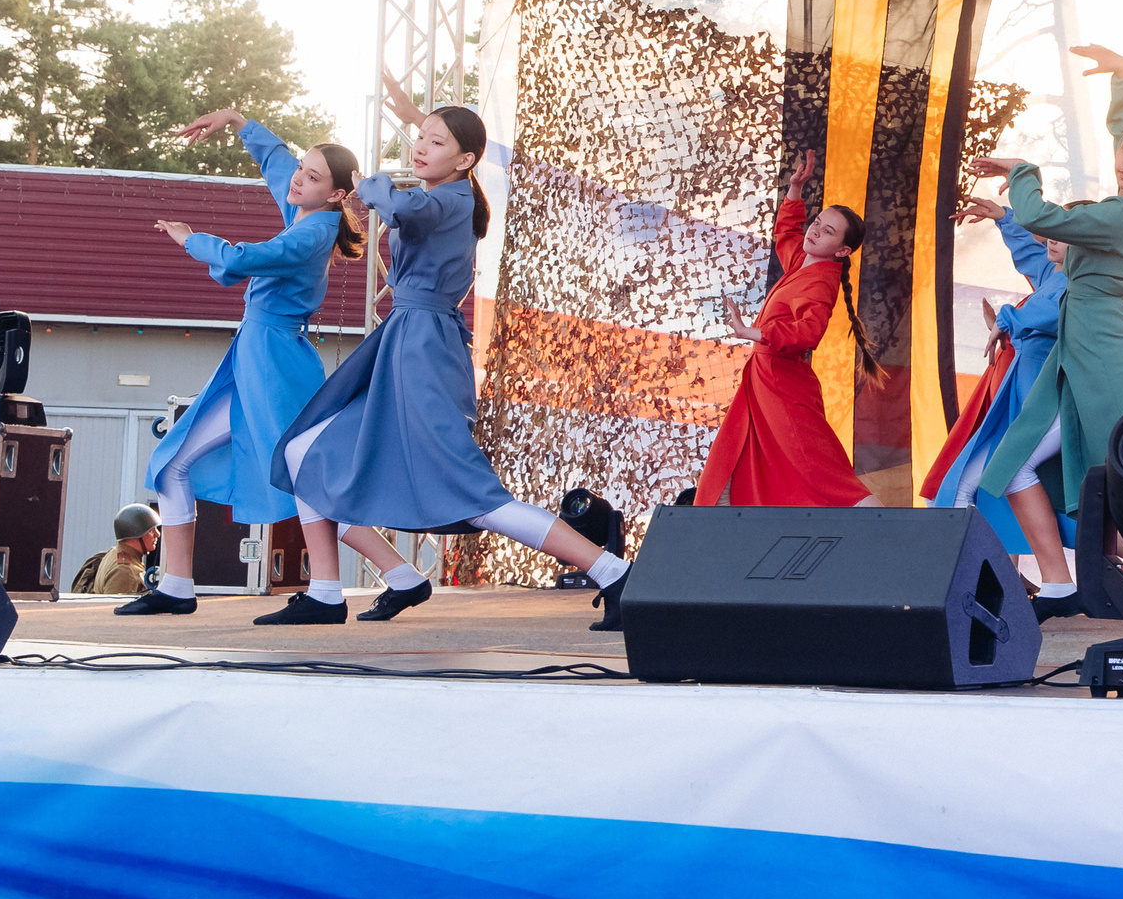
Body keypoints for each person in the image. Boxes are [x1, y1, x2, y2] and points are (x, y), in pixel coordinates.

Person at [264, 78, 634, 629]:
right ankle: (340, 589)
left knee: (472, 495)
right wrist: (420, 120)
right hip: (407, 341)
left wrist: (370, 184)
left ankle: (612, 571)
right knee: (303, 453)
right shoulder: (452, 190)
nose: (420, 147)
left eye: (434, 143)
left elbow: (399, 205)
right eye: (421, 138)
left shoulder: (448, 200)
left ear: (464, 160)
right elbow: (428, 178)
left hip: (422, 351)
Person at [967, 44, 1123, 620]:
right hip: (1086, 351)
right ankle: (1065, 583)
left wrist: (1022, 171)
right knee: (1048, 471)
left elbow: (1040, 217)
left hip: (1110, 358)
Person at [122, 111, 362, 616]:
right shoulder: (304, 209)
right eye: (304, 168)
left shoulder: (310, 235)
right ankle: (176, 586)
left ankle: (342, 588)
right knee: (172, 463)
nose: (299, 179)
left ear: (336, 195)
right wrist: (237, 120)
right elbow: (278, 164)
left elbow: (241, 259)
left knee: (303, 476)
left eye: (313, 176)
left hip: (274, 365)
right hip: (255, 359)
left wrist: (189, 238)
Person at [692, 150, 880, 510]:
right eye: (817, 222)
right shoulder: (802, 262)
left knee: (820, 469)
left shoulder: (821, 283)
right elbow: (787, 232)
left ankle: (882, 528)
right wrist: (795, 188)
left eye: (827, 231)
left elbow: (808, 333)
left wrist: (752, 332)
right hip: (763, 379)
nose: (815, 231)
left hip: (783, 383)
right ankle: (723, 529)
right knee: (733, 463)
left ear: (842, 250)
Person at [924, 196, 1069, 556]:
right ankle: (988, 578)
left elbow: (1046, 311)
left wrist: (1005, 321)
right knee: (964, 489)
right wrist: (1004, 216)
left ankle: (975, 577)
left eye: (1064, 231)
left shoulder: (1078, 285)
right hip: (1023, 403)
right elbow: (1033, 255)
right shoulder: (1055, 274)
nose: (1051, 236)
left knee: (974, 486)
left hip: (1042, 406)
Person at [76, 503, 161, 596]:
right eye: (151, 531)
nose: (157, 534)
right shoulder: (124, 571)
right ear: (134, 535)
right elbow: (113, 605)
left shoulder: (117, 554)